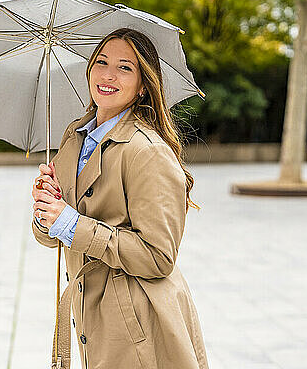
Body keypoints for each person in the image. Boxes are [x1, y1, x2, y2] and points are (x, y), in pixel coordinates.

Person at [31, 28, 209, 369]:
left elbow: (158, 257)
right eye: (101, 62)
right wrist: (45, 208)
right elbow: (49, 236)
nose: (108, 74)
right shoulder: (73, 137)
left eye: (125, 67)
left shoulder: (148, 151)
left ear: (143, 84)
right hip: (93, 320)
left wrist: (70, 222)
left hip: (141, 325)